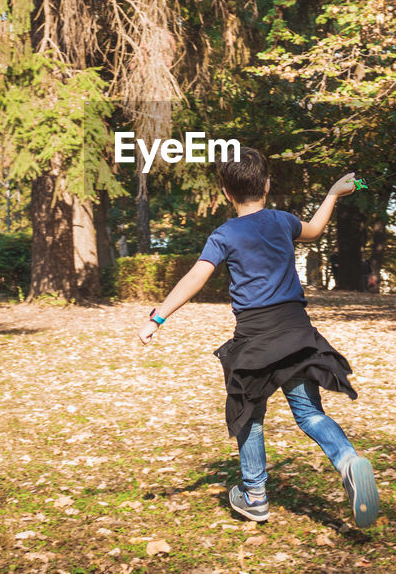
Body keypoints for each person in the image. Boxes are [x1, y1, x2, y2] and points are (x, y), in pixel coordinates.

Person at [136, 147, 379, 528]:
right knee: (310, 414)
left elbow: (196, 278)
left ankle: (255, 496)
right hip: (297, 332)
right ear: (266, 185)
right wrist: (332, 194)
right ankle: (349, 461)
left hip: (256, 338)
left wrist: (158, 317)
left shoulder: (224, 234)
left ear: (225, 193)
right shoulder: (282, 221)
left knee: (248, 415)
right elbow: (313, 231)